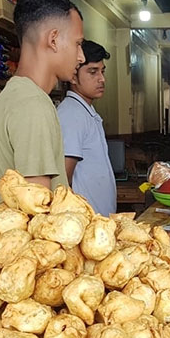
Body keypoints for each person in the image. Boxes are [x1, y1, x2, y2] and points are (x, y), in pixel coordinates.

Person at [0, 0, 85, 208]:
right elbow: (38, 215)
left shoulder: (12, 96)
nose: (81, 57)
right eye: (78, 44)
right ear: (53, 39)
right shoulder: (33, 105)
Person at [57, 40, 116, 216]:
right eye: (93, 72)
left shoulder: (84, 110)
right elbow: (64, 178)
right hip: (87, 220)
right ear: (73, 76)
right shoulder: (71, 114)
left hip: (99, 218)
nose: (102, 79)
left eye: (102, 71)